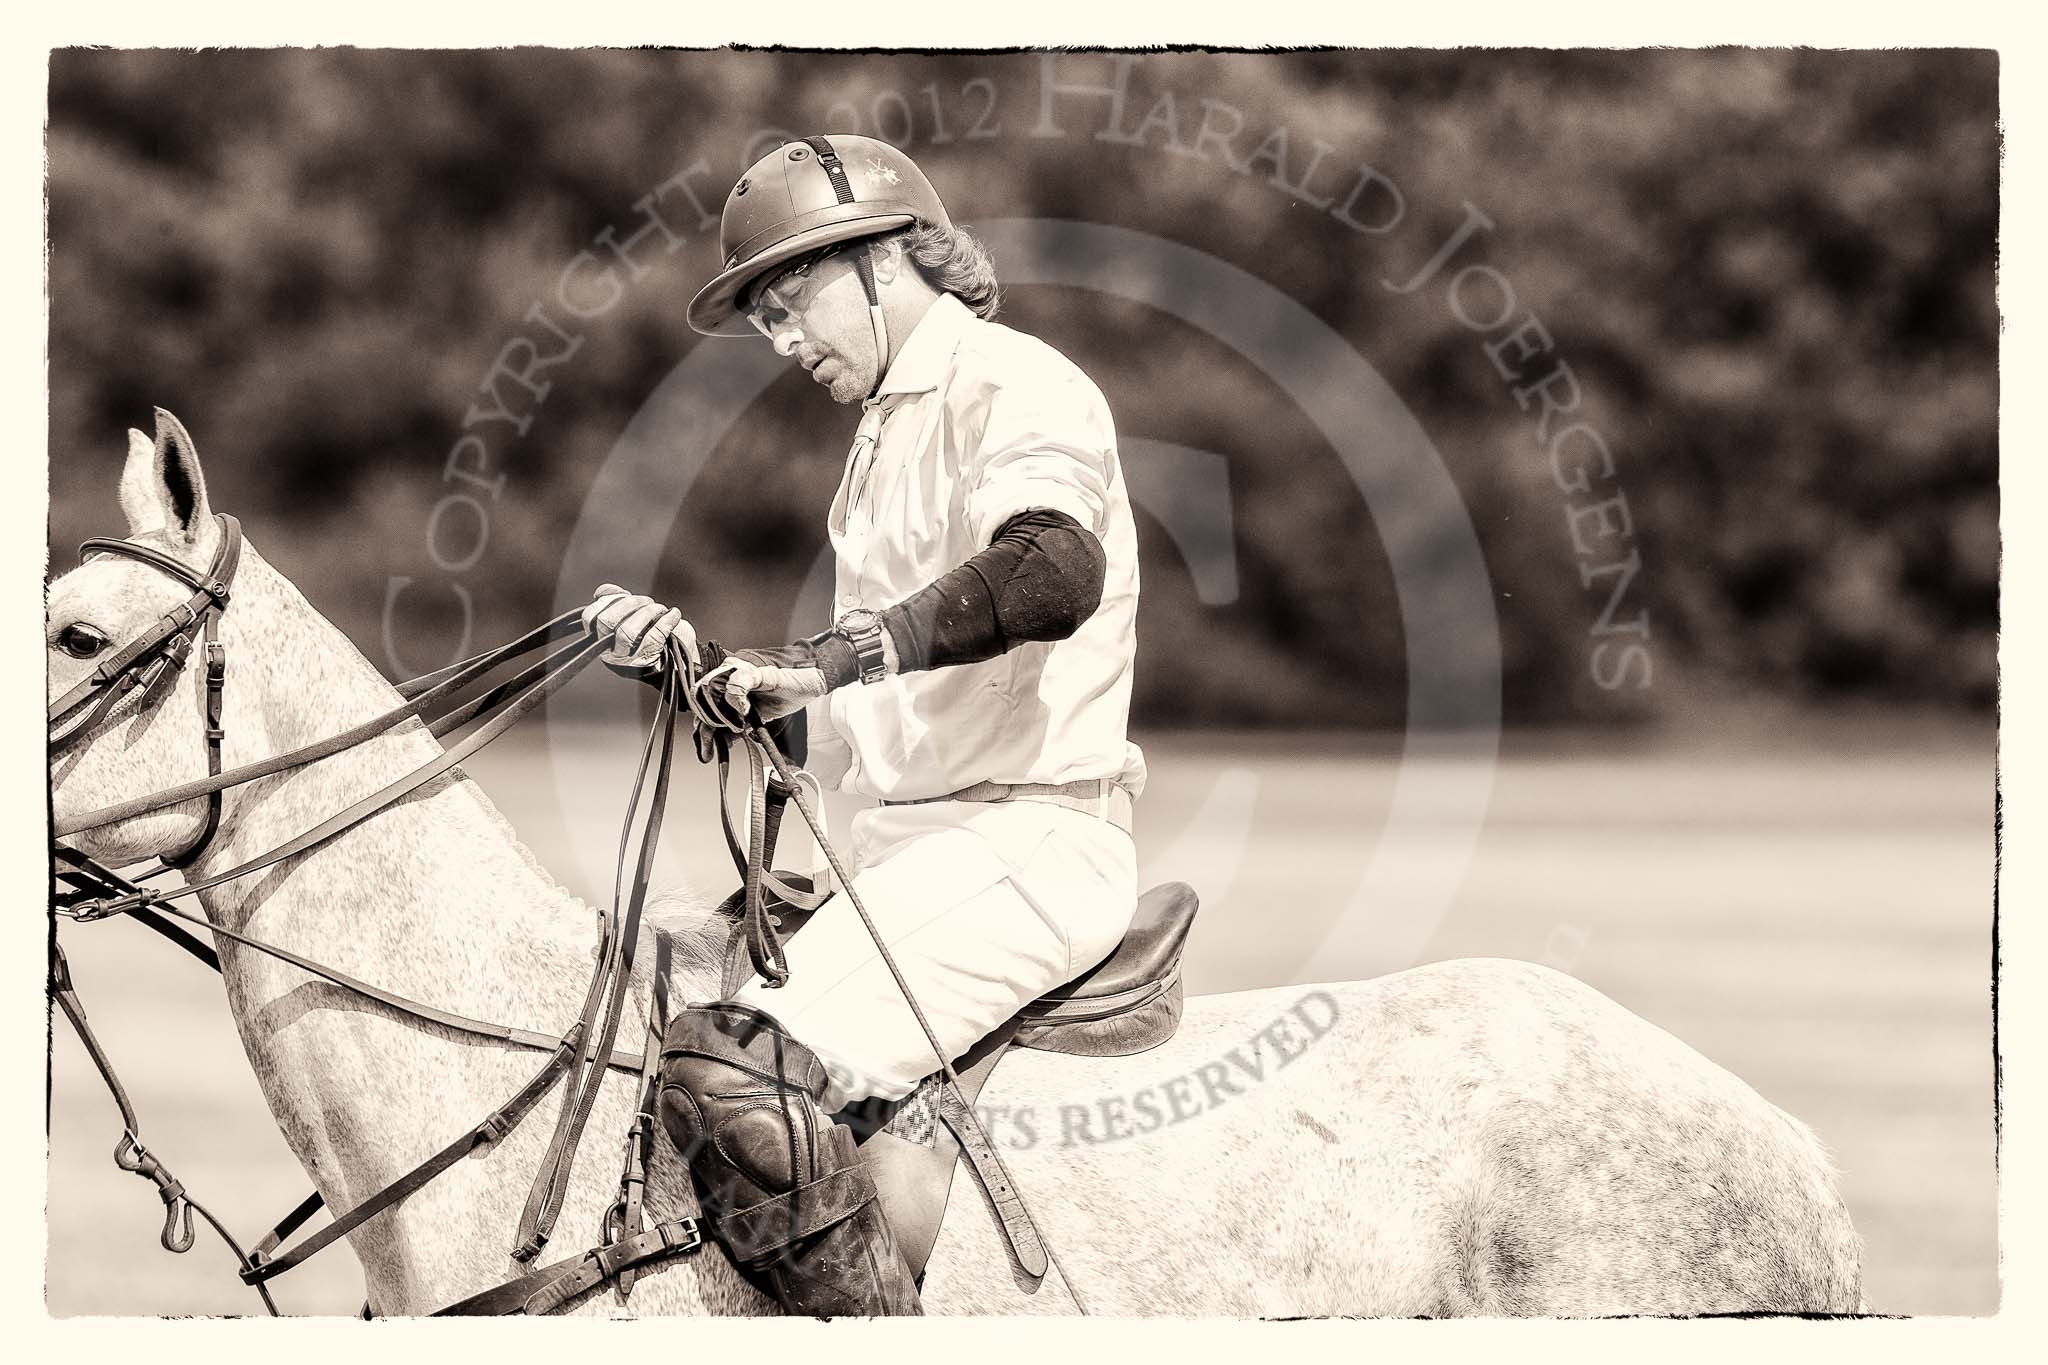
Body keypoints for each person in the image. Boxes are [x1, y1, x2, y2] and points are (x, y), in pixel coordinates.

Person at [583, 134, 1144, 1317]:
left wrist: (830, 656)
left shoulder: (1014, 382)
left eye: (792, 305)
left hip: (1024, 846)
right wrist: (705, 677)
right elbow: (865, 725)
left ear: (886, 259)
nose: (783, 343)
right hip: (904, 854)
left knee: (725, 1073)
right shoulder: (882, 432)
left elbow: (1049, 571)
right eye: (767, 322)